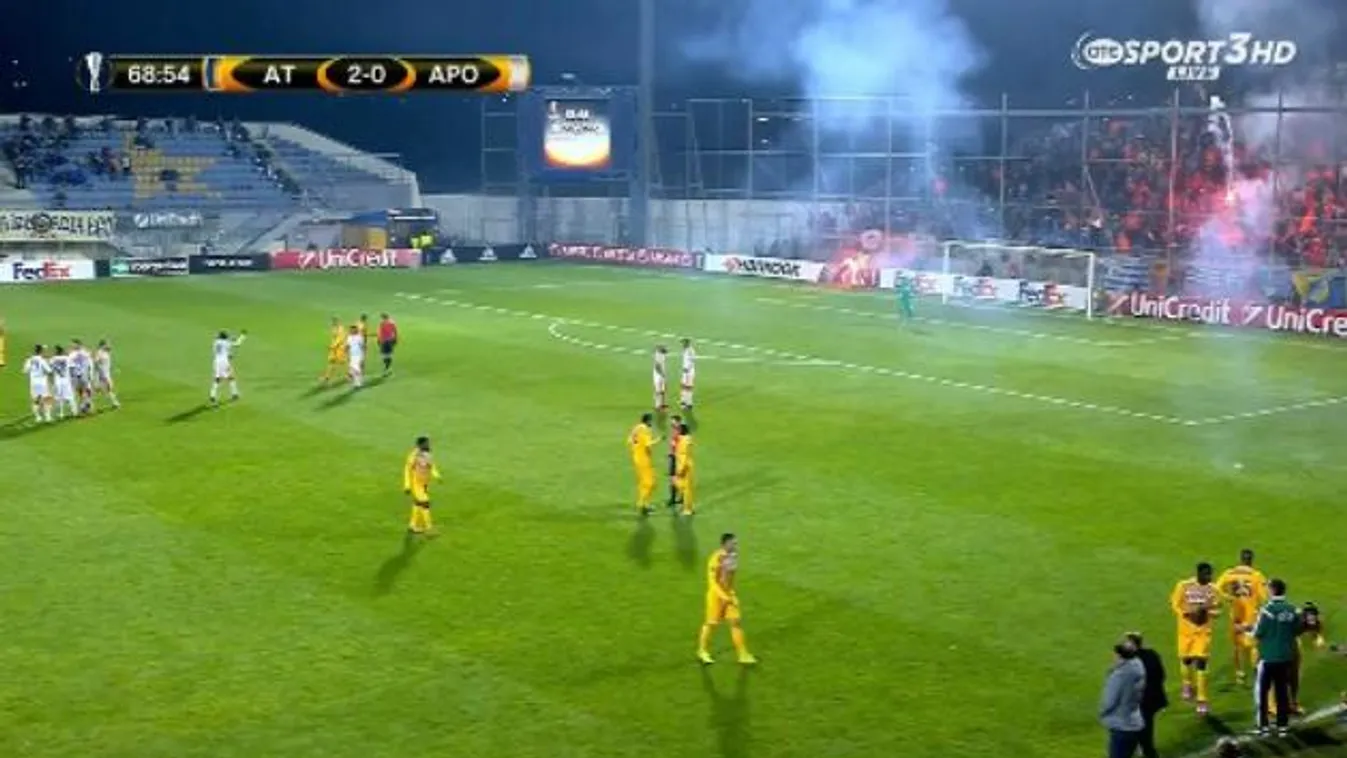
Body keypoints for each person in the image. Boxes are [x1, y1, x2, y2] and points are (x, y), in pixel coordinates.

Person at [1169, 561, 1221, 715]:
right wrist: (1188, 613)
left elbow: (1218, 610)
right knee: (1186, 660)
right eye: (1206, 574)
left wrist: (1206, 611)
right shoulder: (1184, 586)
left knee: (1201, 662)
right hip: (1186, 631)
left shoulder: (1213, 589)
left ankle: (1202, 699)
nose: (1209, 577)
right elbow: (1175, 604)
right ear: (1198, 573)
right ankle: (1187, 684)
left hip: (1203, 632)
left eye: (1210, 574)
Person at [697, 533, 756, 666]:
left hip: (728, 594)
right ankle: (702, 651)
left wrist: (731, 594)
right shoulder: (716, 558)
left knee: (735, 622)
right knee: (711, 624)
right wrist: (723, 596)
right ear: (725, 544)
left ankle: (742, 654)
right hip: (716, 596)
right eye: (733, 543)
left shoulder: (733, 556)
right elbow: (713, 582)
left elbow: (730, 577)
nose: (736, 545)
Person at [1253, 578, 1299, 737]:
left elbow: (1257, 633)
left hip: (1268, 658)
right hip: (1286, 658)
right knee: (1282, 692)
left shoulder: (1267, 610)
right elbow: (1296, 630)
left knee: (1262, 693)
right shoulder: (1293, 610)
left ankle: (1263, 727)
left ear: (1272, 590)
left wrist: (1244, 629)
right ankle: (1282, 726)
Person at [1217, 549, 1269, 685]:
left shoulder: (1229, 573)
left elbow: (1216, 589)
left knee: (1237, 645)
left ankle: (1239, 673)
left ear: (1240, 559)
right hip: (1251, 615)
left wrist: (1228, 597)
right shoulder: (1257, 576)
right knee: (1253, 645)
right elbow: (1265, 597)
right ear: (1251, 560)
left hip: (1235, 614)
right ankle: (1256, 672)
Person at [1100, 639, 1146, 758]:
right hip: (1135, 722)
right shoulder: (1139, 667)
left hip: (1121, 725)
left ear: (1119, 656)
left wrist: (1102, 713)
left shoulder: (1120, 675)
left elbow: (1109, 701)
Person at [1126, 632, 1168, 758]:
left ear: (1133, 644)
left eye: (1127, 642)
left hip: (1141, 699)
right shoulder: (1152, 654)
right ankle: (1144, 748)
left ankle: (1147, 750)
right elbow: (1162, 675)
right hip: (1154, 697)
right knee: (1146, 723)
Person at [1287, 601, 1328, 717]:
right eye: (1310, 616)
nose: (1312, 619)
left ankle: (1292, 703)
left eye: (1314, 616)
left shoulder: (1315, 622)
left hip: (1292, 642)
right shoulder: (1297, 622)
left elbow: (1317, 630)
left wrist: (1318, 638)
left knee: (1294, 676)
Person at [403, 436, 442, 536]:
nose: (428, 444)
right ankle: (429, 528)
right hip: (416, 484)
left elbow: (431, 466)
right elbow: (407, 470)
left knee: (418, 504)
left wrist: (437, 475)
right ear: (420, 445)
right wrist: (407, 485)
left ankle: (412, 526)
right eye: (426, 443)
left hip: (424, 484)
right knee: (425, 503)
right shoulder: (414, 456)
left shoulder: (428, 454)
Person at [626, 413, 659, 515]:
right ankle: (642, 504)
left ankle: (645, 504)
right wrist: (659, 439)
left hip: (636, 457)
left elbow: (629, 441)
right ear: (648, 421)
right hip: (644, 459)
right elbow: (648, 444)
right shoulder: (645, 430)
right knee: (650, 483)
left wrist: (636, 448)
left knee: (643, 482)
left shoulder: (636, 428)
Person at [210, 330, 245, 405]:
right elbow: (237, 344)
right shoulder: (226, 342)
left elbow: (220, 351)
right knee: (231, 377)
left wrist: (228, 355)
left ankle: (212, 395)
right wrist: (242, 336)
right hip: (224, 362)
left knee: (217, 379)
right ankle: (235, 394)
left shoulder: (215, 342)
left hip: (216, 361)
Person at [22, 344, 52, 423]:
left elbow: (25, 371)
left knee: (36, 400)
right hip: (42, 382)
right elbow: (49, 371)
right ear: (41, 351)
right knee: (47, 399)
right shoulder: (42, 360)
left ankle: (38, 417)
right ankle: (48, 417)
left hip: (34, 383)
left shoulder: (29, 360)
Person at [673, 422, 695, 516]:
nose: (676, 431)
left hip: (684, 465)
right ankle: (689, 507)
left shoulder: (684, 441)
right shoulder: (685, 439)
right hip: (685, 464)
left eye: (678, 429)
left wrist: (681, 469)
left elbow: (684, 455)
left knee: (685, 488)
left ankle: (687, 509)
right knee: (684, 487)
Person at [48, 345, 76, 419]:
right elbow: (72, 368)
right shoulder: (67, 358)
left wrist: (51, 380)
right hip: (66, 380)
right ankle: (74, 411)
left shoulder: (53, 359)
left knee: (59, 398)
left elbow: (50, 371)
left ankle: (61, 413)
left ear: (57, 351)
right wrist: (73, 378)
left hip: (58, 381)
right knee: (69, 396)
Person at [93, 339, 120, 409]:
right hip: (102, 375)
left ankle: (115, 403)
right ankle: (115, 403)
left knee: (105, 389)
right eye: (106, 344)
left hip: (105, 374)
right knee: (106, 389)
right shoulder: (100, 353)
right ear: (103, 345)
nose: (108, 345)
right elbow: (95, 362)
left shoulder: (105, 352)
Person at [320, 317, 346, 384]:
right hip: (334, 348)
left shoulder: (340, 329)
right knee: (331, 362)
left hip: (339, 348)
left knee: (340, 363)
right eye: (332, 322)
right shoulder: (334, 328)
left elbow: (340, 339)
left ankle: (349, 374)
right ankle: (327, 376)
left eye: (334, 322)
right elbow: (334, 337)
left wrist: (333, 346)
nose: (333, 323)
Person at [666, 414, 683, 509]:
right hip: (673, 456)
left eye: (673, 421)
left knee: (677, 477)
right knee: (673, 478)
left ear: (678, 422)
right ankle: (674, 498)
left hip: (678, 457)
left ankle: (680, 497)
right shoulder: (674, 430)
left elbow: (679, 444)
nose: (672, 423)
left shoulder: (681, 431)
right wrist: (670, 452)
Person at [345, 324, 365, 388]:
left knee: (357, 369)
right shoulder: (349, 337)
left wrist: (363, 356)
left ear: (356, 330)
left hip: (358, 355)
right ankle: (356, 381)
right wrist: (347, 354)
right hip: (352, 355)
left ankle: (358, 383)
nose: (352, 331)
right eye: (351, 330)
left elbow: (363, 346)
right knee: (353, 369)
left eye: (353, 330)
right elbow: (347, 346)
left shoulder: (359, 337)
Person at [679, 338, 696, 410]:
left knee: (687, 387)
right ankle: (685, 402)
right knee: (684, 386)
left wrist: (687, 368)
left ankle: (688, 404)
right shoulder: (686, 350)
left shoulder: (690, 350)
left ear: (687, 343)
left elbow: (692, 361)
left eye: (683, 343)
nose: (682, 344)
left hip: (688, 372)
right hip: (685, 371)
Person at [652, 345, 668, 411]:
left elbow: (666, 351)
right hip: (658, 376)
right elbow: (657, 366)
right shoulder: (658, 356)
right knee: (658, 391)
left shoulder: (662, 355)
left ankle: (662, 404)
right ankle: (657, 405)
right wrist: (662, 374)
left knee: (663, 390)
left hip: (661, 375)